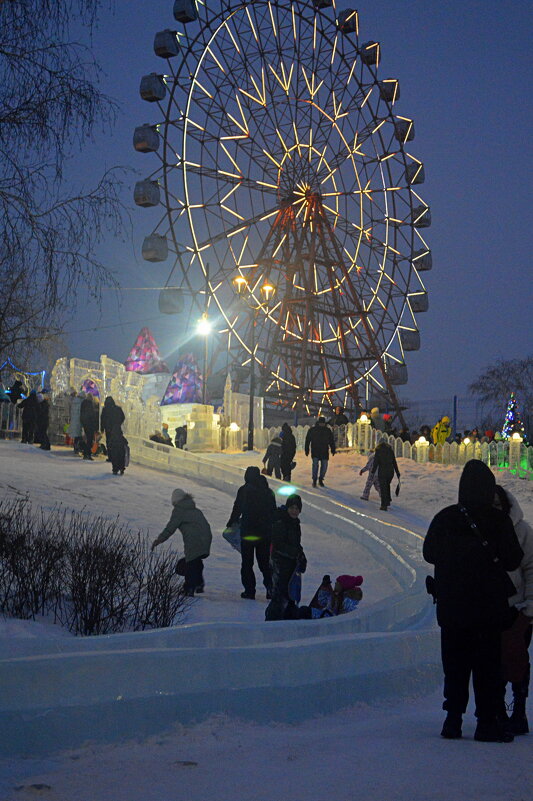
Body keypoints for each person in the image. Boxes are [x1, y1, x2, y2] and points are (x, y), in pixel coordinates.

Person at [423, 459, 523, 742]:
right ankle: (486, 722)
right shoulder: (498, 520)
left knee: (454, 663)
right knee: (486, 665)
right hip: (488, 608)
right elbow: (513, 559)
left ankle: (452, 720)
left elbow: (429, 553)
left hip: (452, 606)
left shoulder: (446, 517)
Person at [494, 485, 533, 735]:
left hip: (518, 607)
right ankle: (498, 709)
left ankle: (519, 709)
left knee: (517, 659)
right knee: (493, 662)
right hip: (490, 608)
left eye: (499, 505)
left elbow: (531, 567)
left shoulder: (522, 531)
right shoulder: (481, 531)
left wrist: (529, 604)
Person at [226, 465, 276, 600]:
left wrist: (231, 522)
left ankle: (250, 590)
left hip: (248, 532)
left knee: (247, 563)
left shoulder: (244, 490)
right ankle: (270, 587)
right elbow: (273, 512)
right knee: (264, 562)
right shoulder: (268, 491)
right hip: (265, 533)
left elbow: (237, 508)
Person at [151, 489, 212, 597]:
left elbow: (170, 527)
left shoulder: (179, 510)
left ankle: (189, 588)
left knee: (191, 563)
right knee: (196, 561)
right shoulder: (196, 510)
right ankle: (198, 583)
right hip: (206, 538)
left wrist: (159, 540)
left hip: (193, 541)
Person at [265, 494, 307, 621]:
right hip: (280, 563)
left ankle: (288, 618)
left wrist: (301, 555)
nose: (294, 511)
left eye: (297, 509)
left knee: (290, 593)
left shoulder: (295, 524)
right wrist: (295, 553)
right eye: (292, 508)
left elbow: (296, 544)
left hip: (291, 564)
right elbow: (278, 545)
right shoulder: (281, 523)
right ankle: (272, 619)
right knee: (280, 593)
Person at [304, 416, 335, 487]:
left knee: (324, 466)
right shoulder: (313, 430)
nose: (322, 424)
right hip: (316, 450)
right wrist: (307, 449)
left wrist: (333, 449)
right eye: (321, 423)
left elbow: (331, 441)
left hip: (323, 450)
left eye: (323, 423)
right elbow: (308, 440)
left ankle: (321, 478)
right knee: (315, 465)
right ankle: (314, 480)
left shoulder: (327, 431)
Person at [370, 441, 400, 511]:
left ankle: (384, 505)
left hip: (382, 472)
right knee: (387, 485)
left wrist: (373, 471)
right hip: (390, 472)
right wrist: (397, 472)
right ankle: (388, 500)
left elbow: (376, 462)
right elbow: (394, 462)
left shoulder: (378, 451)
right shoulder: (390, 450)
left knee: (383, 488)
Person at [80, 394, 99, 460]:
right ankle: (87, 454)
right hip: (90, 424)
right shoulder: (90, 404)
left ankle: (86, 453)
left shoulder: (83, 403)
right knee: (89, 440)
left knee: (87, 439)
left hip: (85, 424)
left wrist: (83, 422)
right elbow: (92, 415)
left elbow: (82, 413)